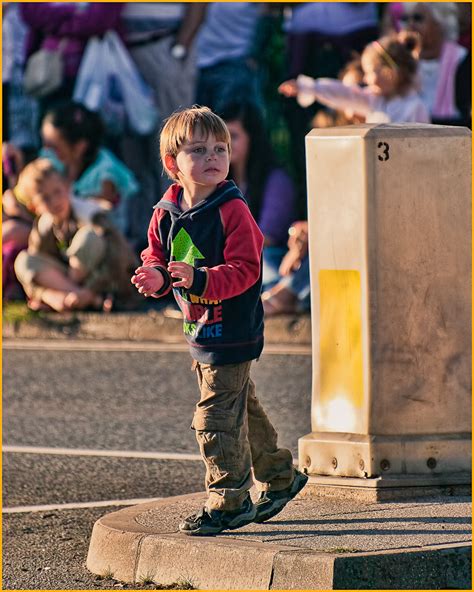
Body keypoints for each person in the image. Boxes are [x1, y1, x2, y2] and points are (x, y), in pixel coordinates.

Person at [131, 106, 308, 536]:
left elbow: (248, 269)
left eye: (220, 148)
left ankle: (229, 499)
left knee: (214, 416)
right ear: (173, 163)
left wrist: (200, 278)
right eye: (199, 150)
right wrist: (155, 276)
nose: (213, 157)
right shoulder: (166, 210)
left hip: (233, 327)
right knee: (238, 406)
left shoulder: (233, 210)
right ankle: (280, 476)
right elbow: (157, 253)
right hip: (198, 326)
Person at [14, 159, 138, 313]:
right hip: (72, 283)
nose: (54, 201)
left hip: (104, 279)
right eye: (45, 198)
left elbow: (119, 256)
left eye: (57, 192)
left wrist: (92, 290)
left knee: (89, 237)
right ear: (34, 207)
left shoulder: (91, 214)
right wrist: (43, 295)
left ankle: (80, 297)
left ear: (67, 187)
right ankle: (78, 298)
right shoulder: (44, 226)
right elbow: (36, 269)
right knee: (24, 260)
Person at [218, 100, 296, 290]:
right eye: (221, 139)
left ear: (252, 138)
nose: (226, 146)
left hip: (269, 259)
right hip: (230, 260)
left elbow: (266, 237)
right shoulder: (217, 182)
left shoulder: (276, 180)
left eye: (234, 137)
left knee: (265, 258)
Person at [279, 31, 430, 124]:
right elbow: (344, 93)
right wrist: (310, 87)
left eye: (370, 72)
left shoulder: (415, 108)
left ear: (389, 73)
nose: (366, 79)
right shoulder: (375, 100)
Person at [40, 101, 139, 236]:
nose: (47, 150)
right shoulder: (54, 162)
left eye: (54, 147)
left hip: (100, 241)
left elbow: (96, 218)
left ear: (79, 147)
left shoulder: (105, 174)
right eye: (45, 143)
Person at [400, 2, 471, 127]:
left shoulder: (464, 59)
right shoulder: (402, 61)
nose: (410, 25)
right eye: (406, 19)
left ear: (441, 23)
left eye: (418, 18)